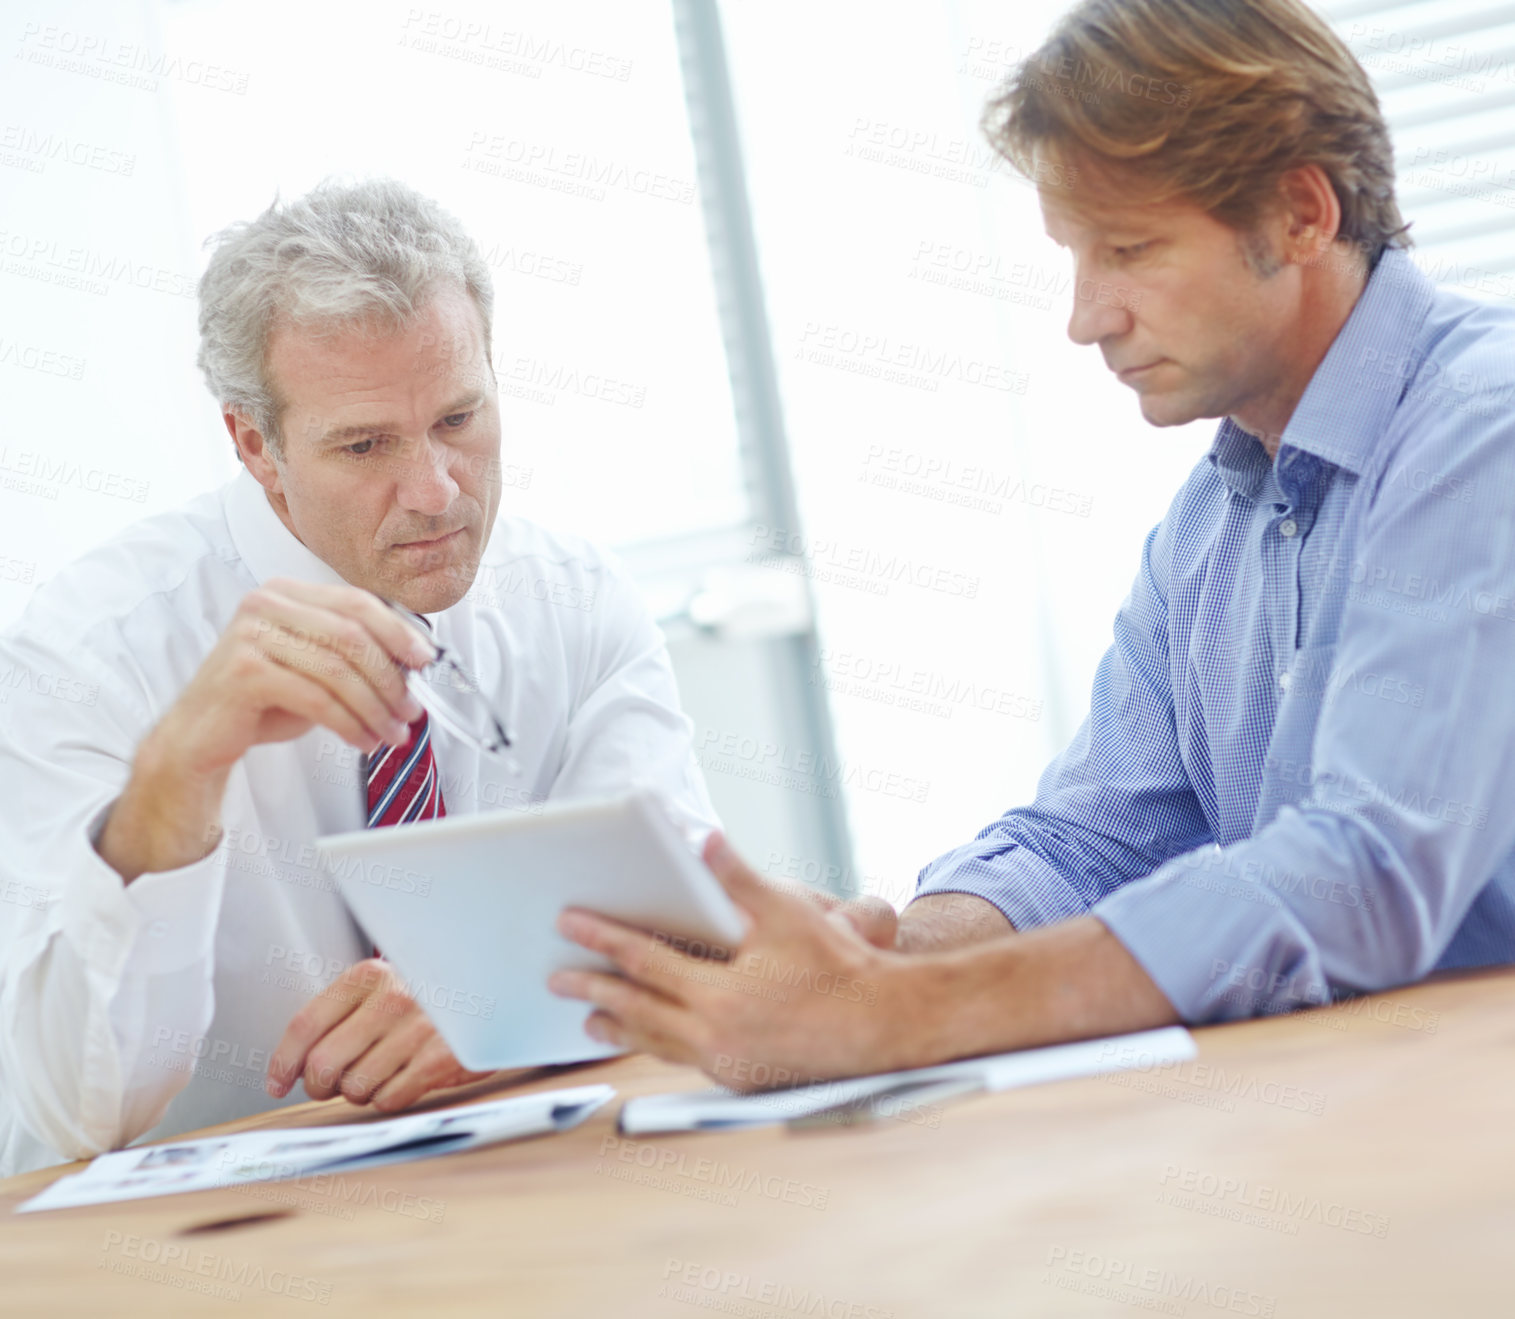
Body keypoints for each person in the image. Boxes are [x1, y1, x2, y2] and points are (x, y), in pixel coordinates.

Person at [550, 0, 1515, 1087]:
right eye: (1075, 256)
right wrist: (876, 956)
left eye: (1130, 249)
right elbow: (1088, 841)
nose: (1086, 315)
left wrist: (907, 1012)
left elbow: (1363, 873)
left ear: (1300, 212)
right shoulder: (1212, 523)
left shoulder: (1485, 431)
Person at [0, 178, 716, 1175]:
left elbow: (691, 930)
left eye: (459, 418)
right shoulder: (95, 651)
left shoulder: (574, 598)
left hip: (519, 1172)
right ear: (255, 445)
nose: (434, 492)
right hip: (195, 1237)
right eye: (364, 444)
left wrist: (491, 990)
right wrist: (175, 778)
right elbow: (80, 1112)